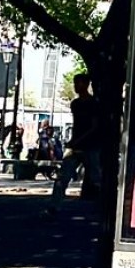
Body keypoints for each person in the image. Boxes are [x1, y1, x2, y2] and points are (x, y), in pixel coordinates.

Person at [49, 75, 102, 211]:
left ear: (86, 84)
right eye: (75, 83)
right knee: (62, 178)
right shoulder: (75, 104)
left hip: (90, 145)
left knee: (96, 178)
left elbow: (94, 126)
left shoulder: (93, 103)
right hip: (76, 145)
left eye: (78, 83)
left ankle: (106, 207)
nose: (75, 86)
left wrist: (78, 140)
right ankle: (54, 206)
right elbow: (77, 124)